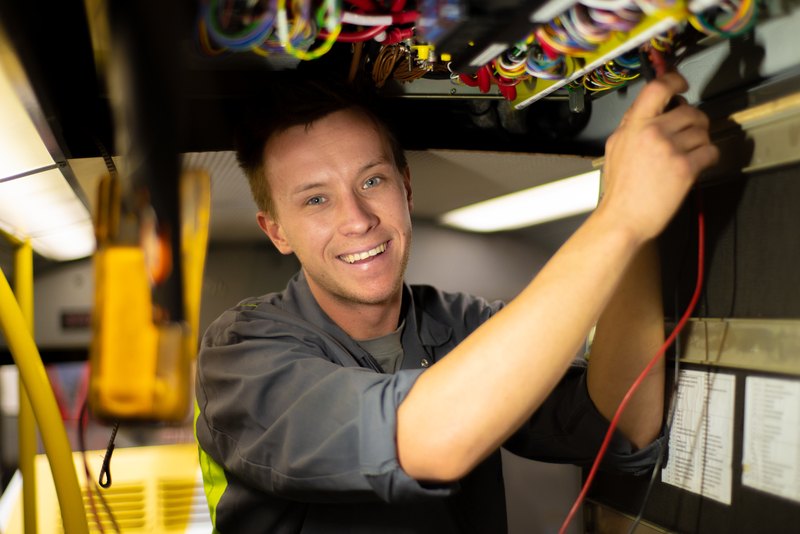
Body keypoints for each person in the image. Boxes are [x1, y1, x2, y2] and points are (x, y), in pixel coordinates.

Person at [194, 72, 718, 533]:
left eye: (372, 181)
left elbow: (619, 424)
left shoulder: (462, 324)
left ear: (405, 188)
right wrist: (621, 218)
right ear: (277, 231)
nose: (357, 219)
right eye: (316, 199)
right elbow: (428, 442)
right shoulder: (240, 356)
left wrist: (641, 215)